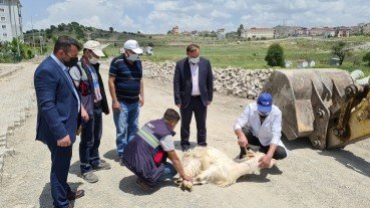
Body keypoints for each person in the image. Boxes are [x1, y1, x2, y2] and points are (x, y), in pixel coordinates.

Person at [34, 36, 84, 208]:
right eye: (72, 55)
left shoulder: (60, 66)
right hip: (59, 130)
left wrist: (80, 110)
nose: (74, 59)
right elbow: (47, 105)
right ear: (61, 52)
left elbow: (68, 93)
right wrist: (61, 133)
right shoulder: (46, 70)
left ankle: (65, 192)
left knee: (63, 164)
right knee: (60, 167)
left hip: (66, 125)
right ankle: (61, 203)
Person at [69, 40, 110, 183]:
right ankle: (85, 168)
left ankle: (94, 160)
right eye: (95, 54)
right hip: (86, 109)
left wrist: (103, 105)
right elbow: (73, 93)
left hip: (97, 106)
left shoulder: (93, 66)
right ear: (87, 52)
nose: (97, 57)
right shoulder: (77, 68)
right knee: (87, 139)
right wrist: (81, 110)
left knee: (97, 136)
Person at [121, 108, 193, 191]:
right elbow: (175, 159)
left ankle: (142, 174)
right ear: (173, 123)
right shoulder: (165, 134)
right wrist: (184, 175)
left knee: (159, 156)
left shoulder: (151, 123)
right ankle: (147, 182)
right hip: (138, 164)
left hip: (127, 159)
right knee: (172, 169)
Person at [173, 44, 214, 152]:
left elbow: (210, 81)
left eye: (197, 56)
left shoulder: (206, 63)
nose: (196, 58)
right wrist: (177, 99)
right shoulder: (180, 64)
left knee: (201, 123)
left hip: (201, 99)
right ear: (188, 54)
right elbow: (176, 83)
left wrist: (210, 97)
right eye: (193, 56)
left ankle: (202, 143)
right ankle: (185, 143)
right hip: (186, 99)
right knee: (185, 123)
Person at [108, 39, 144, 159]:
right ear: (126, 51)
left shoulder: (138, 61)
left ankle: (131, 152)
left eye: (136, 52)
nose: (136, 54)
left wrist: (141, 95)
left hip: (134, 101)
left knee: (134, 128)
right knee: (122, 129)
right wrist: (114, 101)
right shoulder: (117, 61)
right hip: (121, 102)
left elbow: (140, 79)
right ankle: (123, 153)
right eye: (133, 52)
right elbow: (111, 81)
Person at [234, 93, 288, 169]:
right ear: (257, 103)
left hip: (268, 141)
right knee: (243, 132)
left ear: (271, 105)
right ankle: (243, 154)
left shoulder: (277, 113)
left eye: (266, 108)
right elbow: (238, 125)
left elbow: (276, 135)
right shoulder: (250, 107)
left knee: (281, 153)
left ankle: (265, 156)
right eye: (261, 108)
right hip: (255, 137)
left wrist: (269, 155)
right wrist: (241, 135)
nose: (263, 111)